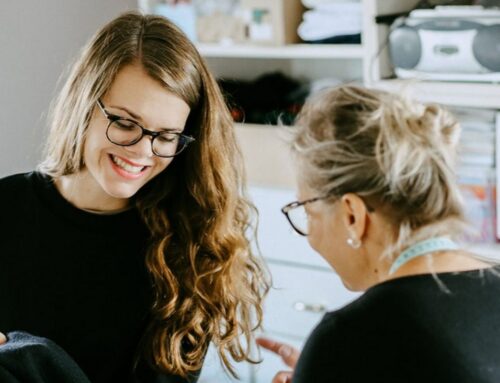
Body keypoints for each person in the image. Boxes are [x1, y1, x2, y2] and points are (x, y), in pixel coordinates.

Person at [0, 11, 269, 383]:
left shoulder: (190, 248)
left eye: (166, 136)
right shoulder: (6, 210)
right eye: (125, 123)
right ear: (83, 103)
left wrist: (35, 359)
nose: (142, 152)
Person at [257, 85, 500, 383]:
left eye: (307, 211)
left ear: (352, 215)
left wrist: (325, 368)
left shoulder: (349, 337)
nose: (310, 235)